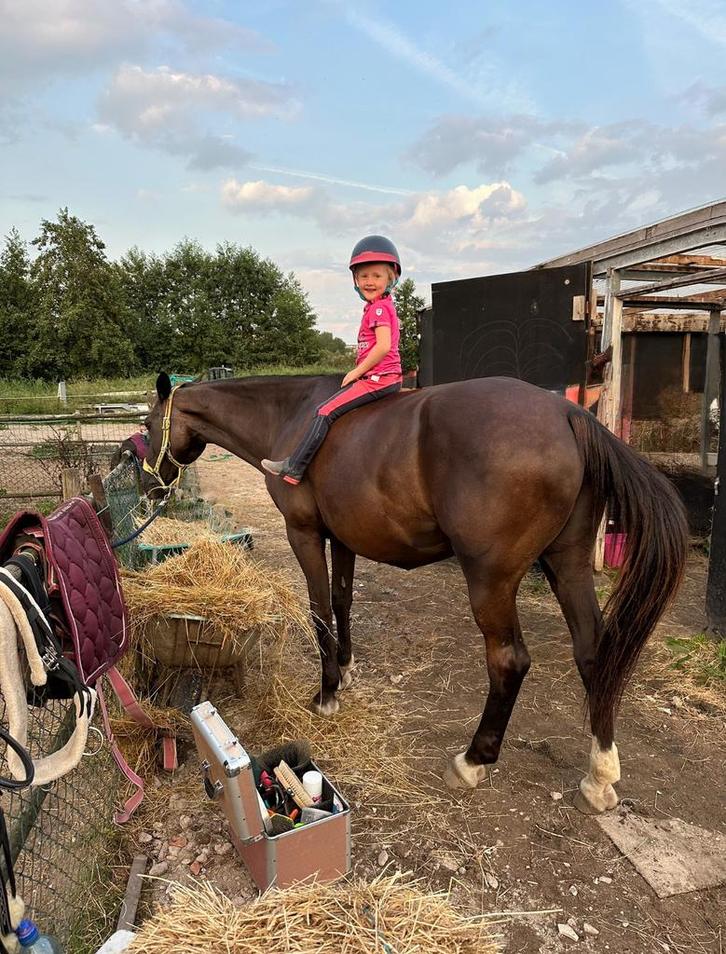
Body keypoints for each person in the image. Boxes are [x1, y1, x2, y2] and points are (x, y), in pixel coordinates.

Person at [261, 235, 404, 485]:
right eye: (363, 276)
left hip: (379, 379)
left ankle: (295, 467)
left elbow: (383, 347)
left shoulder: (379, 309)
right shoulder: (378, 306)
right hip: (380, 376)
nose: (369, 282)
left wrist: (356, 371)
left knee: (324, 410)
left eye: (377, 276)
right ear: (355, 281)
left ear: (391, 278)